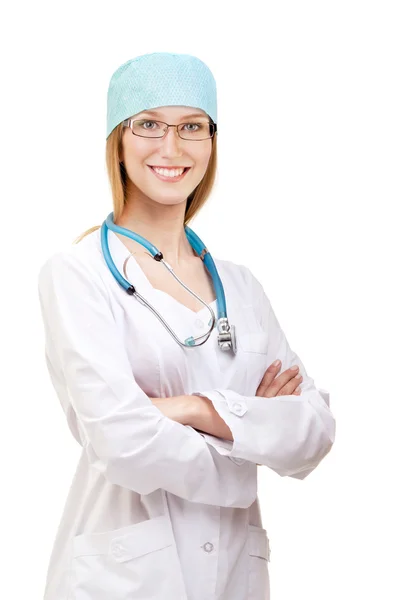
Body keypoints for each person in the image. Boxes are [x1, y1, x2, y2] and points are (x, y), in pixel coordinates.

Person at [37, 52, 336, 600]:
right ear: (118, 141)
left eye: (192, 127)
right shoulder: (78, 275)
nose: (171, 147)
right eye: (148, 124)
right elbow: (120, 441)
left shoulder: (240, 287)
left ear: (212, 142)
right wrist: (250, 434)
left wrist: (195, 408)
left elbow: (312, 431)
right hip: (122, 577)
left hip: (233, 577)